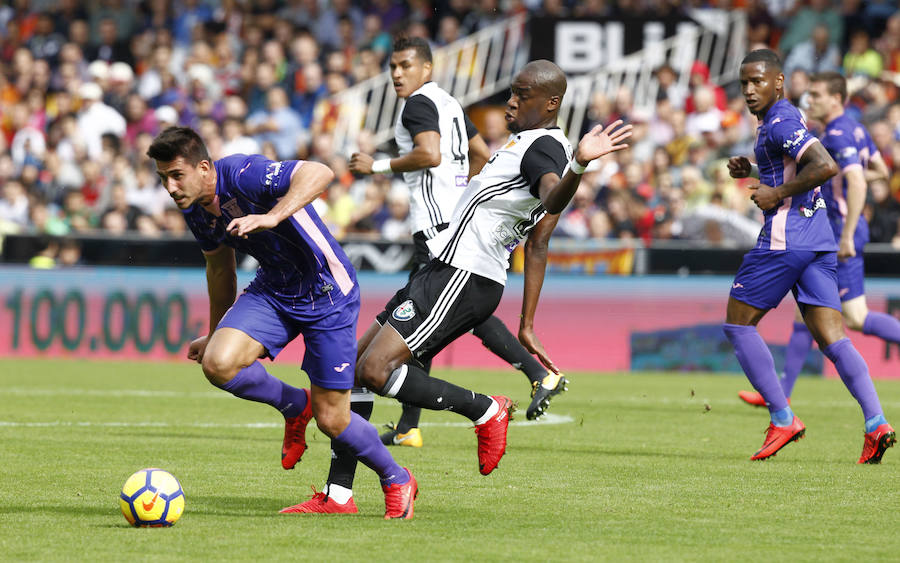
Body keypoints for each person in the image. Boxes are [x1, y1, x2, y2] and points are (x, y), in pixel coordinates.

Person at [288, 59, 632, 513]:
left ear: (550, 103)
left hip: (463, 275)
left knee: (375, 371)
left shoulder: (544, 148)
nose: (511, 101)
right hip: (444, 268)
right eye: (512, 90)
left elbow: (552, 196)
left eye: (522, 94)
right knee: (355, 371)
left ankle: (485, 409)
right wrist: (526, 323)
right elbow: (541, 239)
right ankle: (339, 495)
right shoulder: (526, 143)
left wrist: (580, 166)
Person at [146, 126, 418, 519]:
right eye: (163, 179)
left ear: (204, 168)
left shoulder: (243, 174)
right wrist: (215, 330)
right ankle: (294, 405)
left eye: (176, 175)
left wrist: (271, 216)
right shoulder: (193, 208)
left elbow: (321, 172)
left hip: (328, 290)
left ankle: (397, 478)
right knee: (218, 362)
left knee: (333, 418)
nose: (170, 187)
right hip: (275, 288)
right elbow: (220, 270)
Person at [350, 36, 569, 450]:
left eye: (405, 66)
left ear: (426, 69)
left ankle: (483, 409)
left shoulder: (419, 104)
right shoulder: (455, 107)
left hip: (450, 248)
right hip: (452, 246)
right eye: (392, 66)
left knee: (381, 364)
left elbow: (431, 155)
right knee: (362, 364)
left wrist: (376, 165)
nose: (397, 74)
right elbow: (484, 160)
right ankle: (342, 487)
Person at [724, 50, 895, 464]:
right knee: (833, 337)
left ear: (778, 82)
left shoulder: (780, 121)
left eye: (757, 82)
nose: (749, 90)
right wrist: (754, 169)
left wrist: (776, 194)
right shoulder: (784, 117)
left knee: (738, 325)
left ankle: (783, 418)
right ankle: (876, 423)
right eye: (744, 83)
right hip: (819, 238)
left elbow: (825, 165)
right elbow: (793, 164)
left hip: (787, 237)